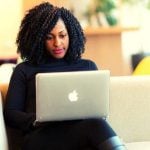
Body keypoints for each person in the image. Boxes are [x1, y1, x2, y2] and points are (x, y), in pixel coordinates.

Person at [4, 2, 126, 150]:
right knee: (96, 126)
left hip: (81, 133)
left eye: (62, 35)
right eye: (49, 37)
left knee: (96, 126)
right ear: (38, 39)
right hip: (40, 138)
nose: (57, 43)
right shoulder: (24, 70)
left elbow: (96, 108)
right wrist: (37, 119)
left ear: (71, 34)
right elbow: (11, 114)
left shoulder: (87, 66)